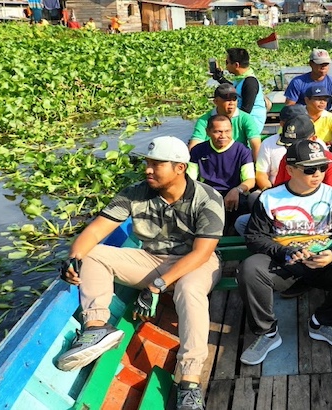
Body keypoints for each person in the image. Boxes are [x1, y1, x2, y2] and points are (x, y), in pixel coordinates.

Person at [56, 136, 224, 410]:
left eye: (157, 165)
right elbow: (96, 231)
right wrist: (74, 259)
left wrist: (157, 285)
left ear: (180, 168)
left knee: (189, 289)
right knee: (92, 255)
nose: (148, 170)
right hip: (151, 259)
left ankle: (190, 382)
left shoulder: (207, 198)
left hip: (195, 263)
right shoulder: (134, 193)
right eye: (147, 163)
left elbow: (202, 253)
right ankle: (96, 328)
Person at [237, 139, 332, 365]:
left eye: (323, 167)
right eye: (310, 169)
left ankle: (321, 322)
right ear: (290, 170)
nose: (318, 174)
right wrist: (284, 252)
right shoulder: (269, 198)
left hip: (323, 265)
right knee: (249, 269)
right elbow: (254, 237)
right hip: (284, 264)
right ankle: (267, 333)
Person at [233, 114, 332, 236]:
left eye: (321, 169)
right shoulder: (288, 159)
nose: (292, 148)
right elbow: (279, 189)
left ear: (313, 139)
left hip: (317, 217)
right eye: (289, 144)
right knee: (242, 221)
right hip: (286, 210)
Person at [187, 115, 256, 233]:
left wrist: (237, 190)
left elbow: (250, 180)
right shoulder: (198, 150)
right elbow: (190, 179)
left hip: (234, 194)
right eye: (218, 132)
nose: (223, 135)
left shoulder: (242, 151)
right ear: (208, 132)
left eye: (227, 131)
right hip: (207, 194)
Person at [189, 83, 262, 161]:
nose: (231, 102)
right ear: (216, 101)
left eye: (234, 98)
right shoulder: (204, 120)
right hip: (211, 158)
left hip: (238, 159)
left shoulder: (246, 118)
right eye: (227, 99)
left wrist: (257, 166)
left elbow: (256, 144)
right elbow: (195, 144)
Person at [283, 49, 332, 123]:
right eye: (320, 63)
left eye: (326, 64)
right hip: (302, 120)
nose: (323, 66)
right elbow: (289, 108)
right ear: (311, 64)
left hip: (324, 119)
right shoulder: (297, 82)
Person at [212, 48, 268, 131]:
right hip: (240, 119)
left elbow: (246, 111)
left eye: (227, 62)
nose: (226, 66)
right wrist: (220, 78)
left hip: (250, 125)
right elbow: (235, 89)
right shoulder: (241, 78)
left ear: (236, 65)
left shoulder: (250, 82)